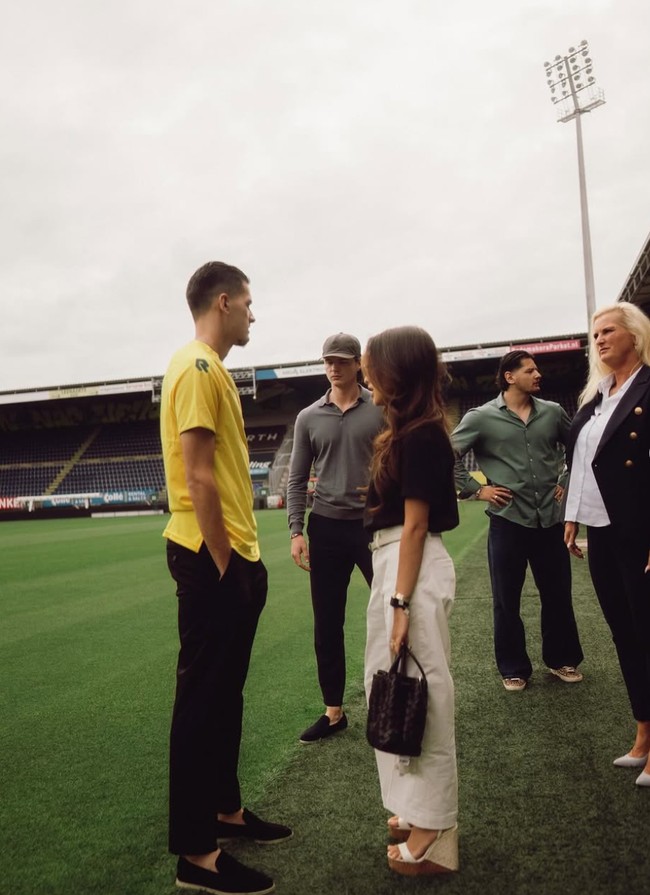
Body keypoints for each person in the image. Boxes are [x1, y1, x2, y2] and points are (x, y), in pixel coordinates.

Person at [161, 261, 291, 895]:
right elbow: (198, 475)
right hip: (212, 555)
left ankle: (226, 812)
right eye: (247, 301)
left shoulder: (209, 368)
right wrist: (224, 564)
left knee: (225, 698)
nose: (252, 313)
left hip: (235, 552)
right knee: (202, 704)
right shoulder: (197, 366)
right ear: (223, 301)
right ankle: (196, 855)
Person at [363, 326, 460, 876]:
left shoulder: (421, 434)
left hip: (411, 566)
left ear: (395, 372)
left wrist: (399, 603)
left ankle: (433, 825)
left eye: (373, 366)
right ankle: (412, 806)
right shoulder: (406, 431)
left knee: (423, 693)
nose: (367, 375)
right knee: (393, 687)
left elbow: (417, 524)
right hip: (397, 563)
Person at [452, 350, 584, 691]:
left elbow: (578, 449)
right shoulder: (480, 418)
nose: (538, 374)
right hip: (507, 521)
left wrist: (565, 482)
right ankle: (513, 667)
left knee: (557, 594)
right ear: (510, 377)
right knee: (505, 599)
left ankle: (562, 659)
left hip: (550, 521)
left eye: (537, 368)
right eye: (530, 370)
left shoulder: (553, 413)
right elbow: (445, 456)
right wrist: (476, 490)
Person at [564, 302, 650, 788]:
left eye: (608, 330)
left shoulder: (648, 388)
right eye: (594, 333)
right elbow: (582, 459)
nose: (597, 339)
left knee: (648, 631)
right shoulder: (597, 394)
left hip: (640, 529)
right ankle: (643, 733)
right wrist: (572, 516)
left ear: (634, 335)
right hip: (602, 529)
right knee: (624, 633)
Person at [287, 333, 384, 743]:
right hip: (325, 528)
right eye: (328, 360)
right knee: (327, 623)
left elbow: (397, 459)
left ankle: (394, 700)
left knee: (392, 614)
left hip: (371, 527)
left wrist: (384, 494)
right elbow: (295, 478)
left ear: (358, 363)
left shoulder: (380, 409)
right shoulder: (309, 416)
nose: (334, 367)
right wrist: (296, 530)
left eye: (342, 360)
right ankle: (334, 711)